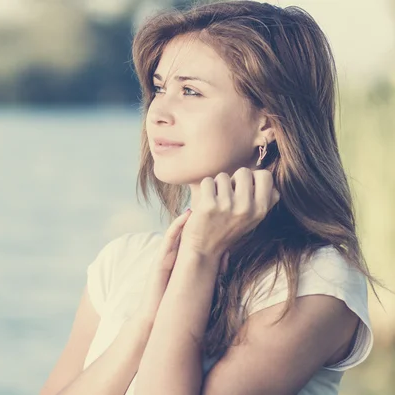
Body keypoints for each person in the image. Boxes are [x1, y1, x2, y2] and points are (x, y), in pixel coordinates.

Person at [39, 1, 384, 394]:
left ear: (267, 123)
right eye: (158, 88)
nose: (158, 113)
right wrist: (142, 326)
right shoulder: (121, 263)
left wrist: (199, 257)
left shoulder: (315, 282)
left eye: (190, 91)